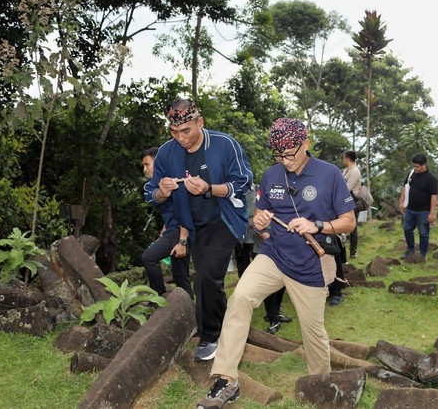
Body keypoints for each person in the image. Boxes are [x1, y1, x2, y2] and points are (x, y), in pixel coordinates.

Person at [197, 118, 356, 409]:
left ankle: (319, 384)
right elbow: (261, 212)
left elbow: (349, 222)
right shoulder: (272, 175)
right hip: (274, 256)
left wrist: (317, 225)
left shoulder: (329, 174)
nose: (285, 161)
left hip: (310, 266)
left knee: (314, 332)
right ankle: (225, 380)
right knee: (240, 298)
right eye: (279, 155)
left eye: (290, 154)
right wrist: (259, 221)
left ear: (305, 144)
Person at [144, 98, 253, 362]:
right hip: (191, 225)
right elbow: (150, 194)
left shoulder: (224, 144)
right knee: (208, 279)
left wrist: (209, 189)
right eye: (174, 132)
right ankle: (231, 325)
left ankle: (209, 337)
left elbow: (244, 183)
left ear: (199, 123)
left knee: (205, 276)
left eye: (186, 131)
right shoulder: (167, 153)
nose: (180, 138)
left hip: (224, 220)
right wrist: (162, 191)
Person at [234, 184, 292, 334]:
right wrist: (266, 236)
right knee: (269, 282)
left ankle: (276, 313)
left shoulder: (290, 192)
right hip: (265, 244)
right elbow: (256, 220)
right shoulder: (265, 191)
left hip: (283, 244)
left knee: (282, 280)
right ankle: (273, 318)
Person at [140, 147, 194, 299]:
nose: (144, 169)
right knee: (181, 278)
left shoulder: (173, 180)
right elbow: (170, 211)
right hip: (173, 230)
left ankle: (159, 297)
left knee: (149, 257)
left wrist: (182, 240)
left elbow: (185, 209)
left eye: (147, 164)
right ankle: (191, 312)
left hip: (181, 230)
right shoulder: (158, 185)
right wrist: (163, 232)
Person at [397, 153, 438, 261]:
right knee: (407, 229)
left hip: (424, 211)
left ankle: (422, 254)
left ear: (423, 165)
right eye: (413, 166)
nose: (414, 169)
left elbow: (434, 197)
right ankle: (410, 250)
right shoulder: (411, 174)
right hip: (410, 209)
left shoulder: (432, 179)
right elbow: (405, 187)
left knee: (423, 233)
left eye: (417, 167)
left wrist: (432, 213)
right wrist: (401, 202)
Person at [342, 150, 362, 258]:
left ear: (347, 159)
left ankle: (353, 251)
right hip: (345, 199)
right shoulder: (347, 170)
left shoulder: (355, 171)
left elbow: (347, 188)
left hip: (352, 200)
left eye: (343, 158)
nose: (343, 160)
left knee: (353, 226)